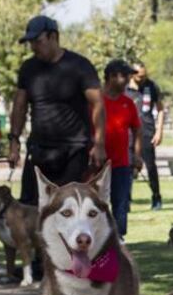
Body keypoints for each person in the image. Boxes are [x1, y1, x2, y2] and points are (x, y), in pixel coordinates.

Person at [8, 15, 106, 206]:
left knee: (66, 208)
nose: (33, 47)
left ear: (53, 37)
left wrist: (99, 144)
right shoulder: (28, 69)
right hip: (39, 149)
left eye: (38, 41)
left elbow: (98, 104)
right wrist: (14, 141)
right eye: (30, 43)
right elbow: (19, 106)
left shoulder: (80, 66)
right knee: (30, 209)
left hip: (74, 150)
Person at [101, 59, 144, 238]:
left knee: (120, 204)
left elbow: (137, 129)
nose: (128, 80)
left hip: (121, 163)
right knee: (97, 204)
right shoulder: (96, 101)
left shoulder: (128, 103)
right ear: (111, 77)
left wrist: (137, 155)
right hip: (98, 163)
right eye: (124, 76)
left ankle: (119, 239)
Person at [129, 62, 165, 210]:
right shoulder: (124, 87)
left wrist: (159, 131)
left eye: (144, 76)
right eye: (139, 76)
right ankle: (126, 200)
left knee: (151, 167)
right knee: (127, 167)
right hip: (128, 133)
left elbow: (160, 109)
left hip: (147, 131)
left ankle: (156, 197)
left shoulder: (151, 86)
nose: (142, 78)